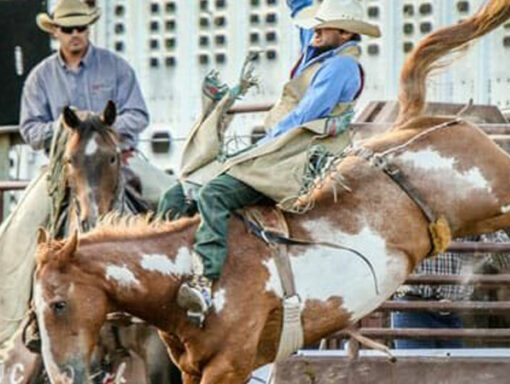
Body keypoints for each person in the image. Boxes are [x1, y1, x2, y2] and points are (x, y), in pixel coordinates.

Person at [156, 0, 381, 325]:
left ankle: (205, 281)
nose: (313, 31)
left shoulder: (341, 67)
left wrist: (263, 143)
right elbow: (300, 9)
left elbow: (307, 115)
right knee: (175, 196)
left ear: (344, 33)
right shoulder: (321, 50)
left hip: (294, 157)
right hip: (278, 149)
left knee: (213, 194)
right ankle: (163, 270)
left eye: (321, 26)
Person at [0, 0, 174, 345]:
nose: (75, 34)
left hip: (118, 159)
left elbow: (138, 115)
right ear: (56, 32)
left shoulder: (116, 68)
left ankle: (185, 295)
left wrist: (100, 130)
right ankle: (29, 314)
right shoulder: (41, 77)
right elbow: (30, 130)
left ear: (89, 29)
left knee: (172, 196)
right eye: (68, 29)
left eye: (81, 28)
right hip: (61, 169)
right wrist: (68, 133)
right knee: (23, 227)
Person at [390, 231, 510, 349]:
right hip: (413, 308)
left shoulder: (471, 215)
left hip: (456, 313)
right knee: (414, 369)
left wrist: (486, 224)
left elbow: (505, 259)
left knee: (455, 370)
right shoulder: (418, 211)